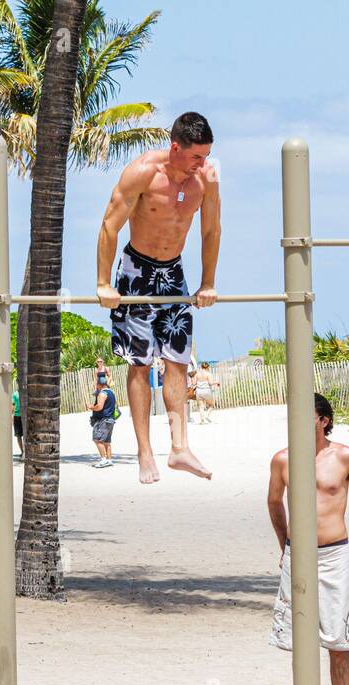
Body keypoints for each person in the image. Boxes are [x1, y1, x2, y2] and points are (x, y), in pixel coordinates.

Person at [97, 111, 221, 484]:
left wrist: (207, 282)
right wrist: (104, 283)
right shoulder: (143, 173)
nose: (203, 163)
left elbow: (211, 229)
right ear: (175, 147)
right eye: (196, 156)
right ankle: (145, 451)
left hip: (174, 273)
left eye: (207, 155)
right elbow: (109, 225)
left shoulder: (206, 179)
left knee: (177, 360)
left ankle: (180, 448)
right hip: (136, 272)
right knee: (139, 363)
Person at [267, 393, 349, 685]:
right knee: (298, 642)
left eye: (306, 415)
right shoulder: (283, 460)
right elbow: (273, 502)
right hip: (298, 555)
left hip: (334, 555)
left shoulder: (345, 457)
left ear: (324, 420)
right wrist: (285, 544)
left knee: (339, 642)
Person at [86, 377, 118, 467]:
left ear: (99, 384)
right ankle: (109, 460)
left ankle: (103, 460)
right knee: (107, 441)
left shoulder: (103, 393)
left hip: (103, 420)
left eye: (96, 384)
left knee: (97, 439)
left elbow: (99, 407)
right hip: (110, 420)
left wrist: (91, 407)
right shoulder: (111, 392)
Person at [12, 386, 23, 458]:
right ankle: (23, 451)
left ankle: (26, 451)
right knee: (18, 435)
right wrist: (11, 416)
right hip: (17, 416)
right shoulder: (15, 394)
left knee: (25, 435)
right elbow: (12, 405)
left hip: (25, 416)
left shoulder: (27, 393)